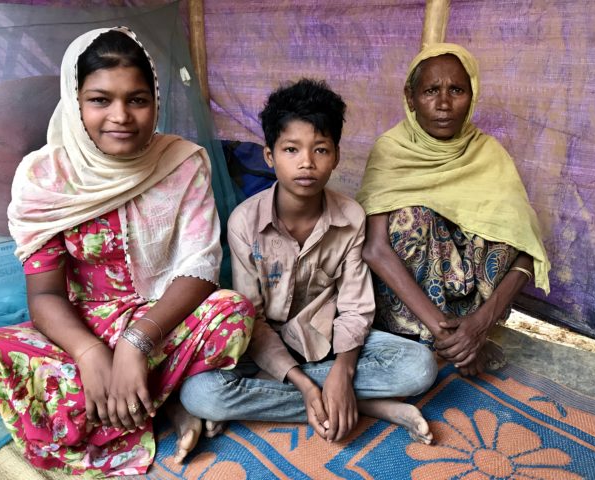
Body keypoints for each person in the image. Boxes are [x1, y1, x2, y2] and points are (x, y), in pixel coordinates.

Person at [0, 27, 254, 476]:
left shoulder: (182, 162)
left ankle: (121, 402)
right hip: (77, 327)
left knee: (234, 310)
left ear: (155, 101)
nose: (121, 115)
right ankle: (156, 402)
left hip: (158, 318)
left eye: (137, 99)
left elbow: (200, 268)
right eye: (101, 100)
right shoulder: (44, 177)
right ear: (75, 101)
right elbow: (45, 296)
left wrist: (135, 343)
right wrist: (90, 354)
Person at [180, 79, 438, 445]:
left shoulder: (350, 217)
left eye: (320, 150)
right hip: (266, 348)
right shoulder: (244, 222)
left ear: (335, 156)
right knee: (200, 393)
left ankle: (321, 394)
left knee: (420, 366)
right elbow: (250, 318)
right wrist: (302, 382)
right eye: (291, 149)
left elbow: (355, 308)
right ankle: (367, 405)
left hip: (330, 340)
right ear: (270, 156)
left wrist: (343, 371)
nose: (306, 163)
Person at [356, 43, 550, 377]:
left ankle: (465, 337)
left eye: (456, 90)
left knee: (506, 228)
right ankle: (443, 343)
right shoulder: (392, 150)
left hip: (472, 307)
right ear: (410, 97)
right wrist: (447, 334)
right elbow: (374, 249)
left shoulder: (488, 153)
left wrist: (480, 324)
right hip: (413, 311)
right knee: (410, 219)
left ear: (472, 95)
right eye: (431, 91)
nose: (444, 104)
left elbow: (526, 251)